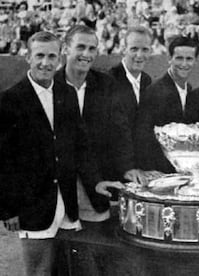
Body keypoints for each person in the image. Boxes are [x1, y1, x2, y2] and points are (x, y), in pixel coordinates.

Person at [0, 31, 120, 276]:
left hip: (66, 202)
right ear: (27, 57)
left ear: (60, 57)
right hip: (32, 206)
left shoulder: (66, 94)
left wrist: (96, 182)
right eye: (40, 55)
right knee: (38, 271)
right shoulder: (9, 100)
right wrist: (8, 209)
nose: (46, 62)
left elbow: (81, 146)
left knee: (67, 269)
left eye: (51, 56)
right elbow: (3, 161)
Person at [55, 25, 131, 221]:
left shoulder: (106, 84)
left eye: (92, 49)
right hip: (57, 190)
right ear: (65, 48)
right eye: (80, 47)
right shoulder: (50, 85)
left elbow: (120, 133)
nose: (86, 54)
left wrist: (127, 168)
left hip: (96, 186)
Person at [108, 26, 161, 185]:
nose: (140, 55)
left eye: (145, 49)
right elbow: (112, 134)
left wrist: (149, 168)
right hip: (116, 172)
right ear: (123, 49)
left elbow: (144, 131)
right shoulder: (109, 82)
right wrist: (126, 168)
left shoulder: (147, 81)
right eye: (134, 49)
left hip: (140, 172)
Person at [140, 36, 199, 174]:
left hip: (183, 169)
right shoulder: (154, 91)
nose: (184, 64)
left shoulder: (189, 89)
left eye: (189, 59)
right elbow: (144, 137)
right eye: (179, 58)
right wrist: (151, 170)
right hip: (160, 171)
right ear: (170, 58)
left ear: (195, 61)